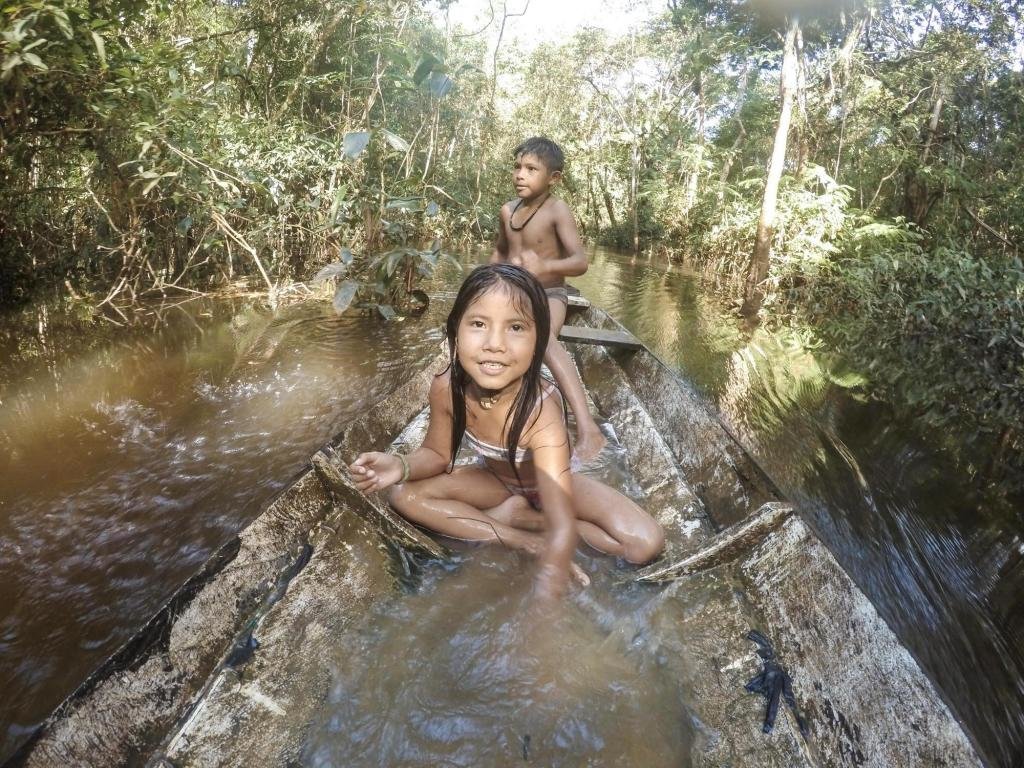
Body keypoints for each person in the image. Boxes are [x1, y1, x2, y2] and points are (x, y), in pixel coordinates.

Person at [349, 264, 664, 600]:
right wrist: (401, 465)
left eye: (515, 327)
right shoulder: (446, 387)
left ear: (538, 342)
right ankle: (518, 533)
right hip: (495, 482)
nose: (494, 344)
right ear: (455, 331)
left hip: (551, 487)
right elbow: (438, 455)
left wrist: (546, 600)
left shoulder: (540, 410)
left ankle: (521, 516)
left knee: (645, 545)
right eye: (478, 324)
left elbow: (559, 520)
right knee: (403, 495)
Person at [490, 136, 607, 463]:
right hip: (513, 292)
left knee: (541, 340)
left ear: (553, 178)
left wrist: (546, 267)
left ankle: (587, 428)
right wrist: (485, 279)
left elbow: (580, 261)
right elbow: (500, 251)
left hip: (550, 293)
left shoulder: (557, 210)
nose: (520, 175)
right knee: (483, 331)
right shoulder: (507, 211)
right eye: (517, 167)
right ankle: (495, 408)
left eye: (531, 169)